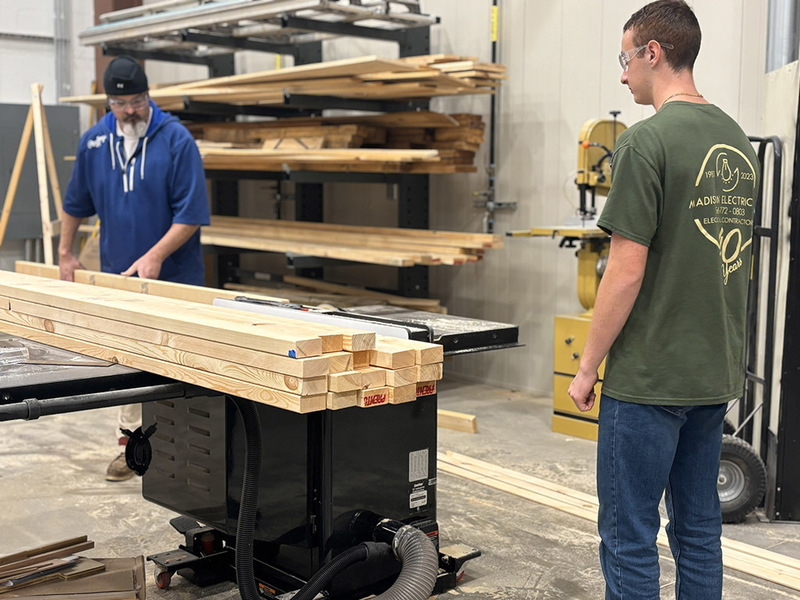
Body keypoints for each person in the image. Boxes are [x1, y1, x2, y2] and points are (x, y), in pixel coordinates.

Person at [567, 1, 759, 598]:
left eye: (625, 60)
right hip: (713, 373)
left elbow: (624, 272)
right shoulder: (736, 141)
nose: (622, 76)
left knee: (628, 533)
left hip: (650, 379)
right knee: (699, 528)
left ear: (654, 53)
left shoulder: (644, 144)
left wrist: (587, 363)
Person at [59, 56, 210, 481]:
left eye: (137, 101)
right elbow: (75, 205)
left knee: (179, 366)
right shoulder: (94, 143)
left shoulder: (176, 140)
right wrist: (66, 252)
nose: (129, 111)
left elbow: (191, 215)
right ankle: (132, 450)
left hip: (174, 283)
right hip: (118, 281)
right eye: (120, 103)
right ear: (109, 103)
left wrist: (156, 254)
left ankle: (190, 454)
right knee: (127, 365)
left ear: (149, 96)